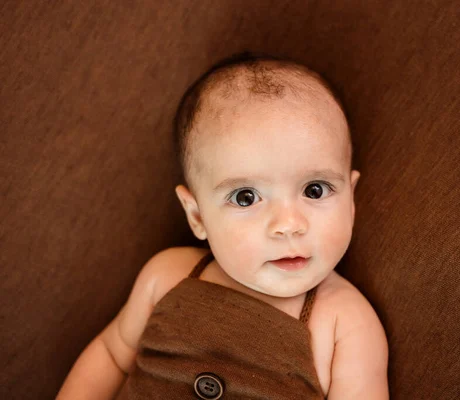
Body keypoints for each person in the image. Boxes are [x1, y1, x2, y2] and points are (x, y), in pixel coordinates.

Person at [57, 52, 389, 399]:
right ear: (197, 215)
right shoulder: (168, 275)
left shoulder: (346, 324)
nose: (289, 225)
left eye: (315, 190)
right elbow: (111, 356)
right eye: (246, 197)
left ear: (350, 199)